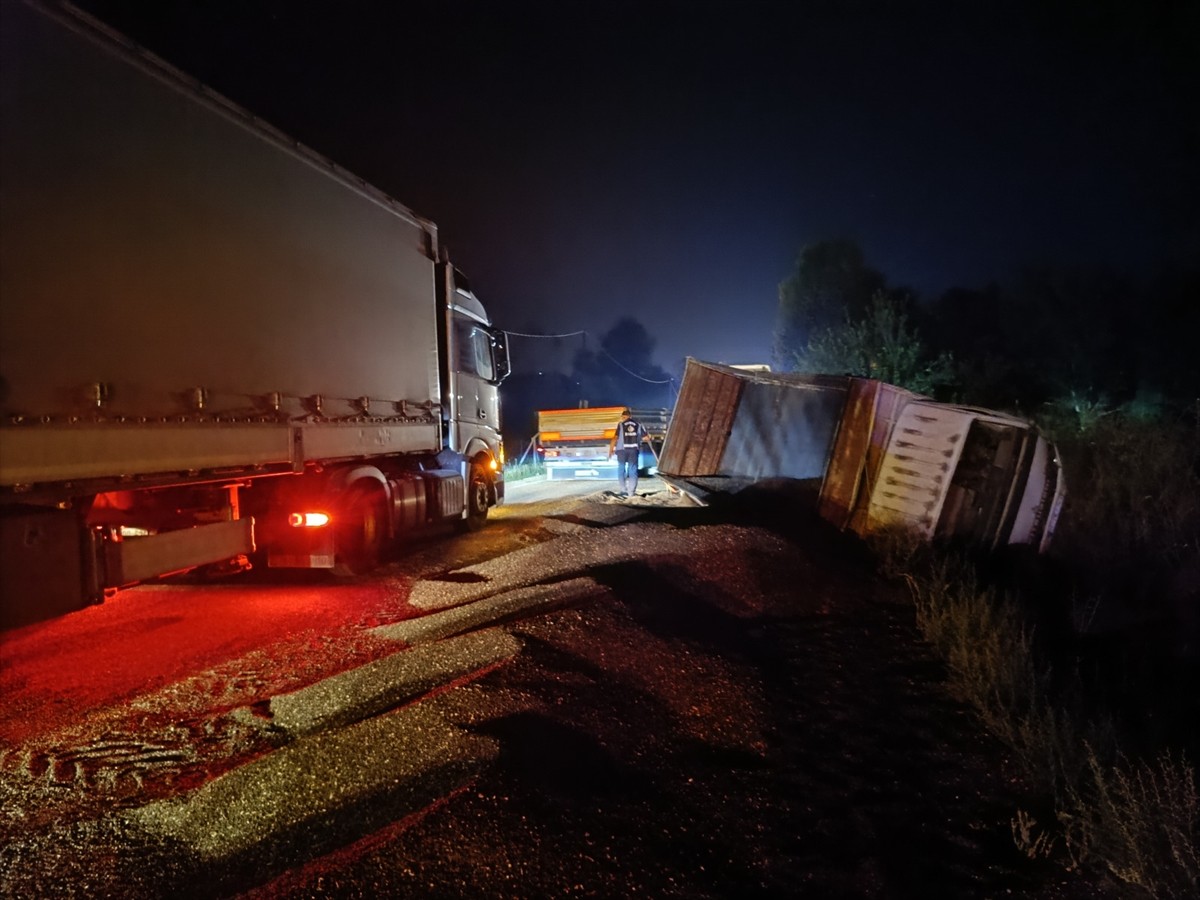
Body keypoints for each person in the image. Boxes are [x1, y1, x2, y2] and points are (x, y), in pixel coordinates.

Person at [607, 408, 649, 497]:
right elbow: (646, 438)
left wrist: (610, 450)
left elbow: (615, 438)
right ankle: (631, 493)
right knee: (633, 470)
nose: (623, 419)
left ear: (626, 416)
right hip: (633, 450)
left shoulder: (621, 425)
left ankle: (623, 490)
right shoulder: (638, 424)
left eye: (623, 417)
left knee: (621, 469)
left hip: (622, 450)